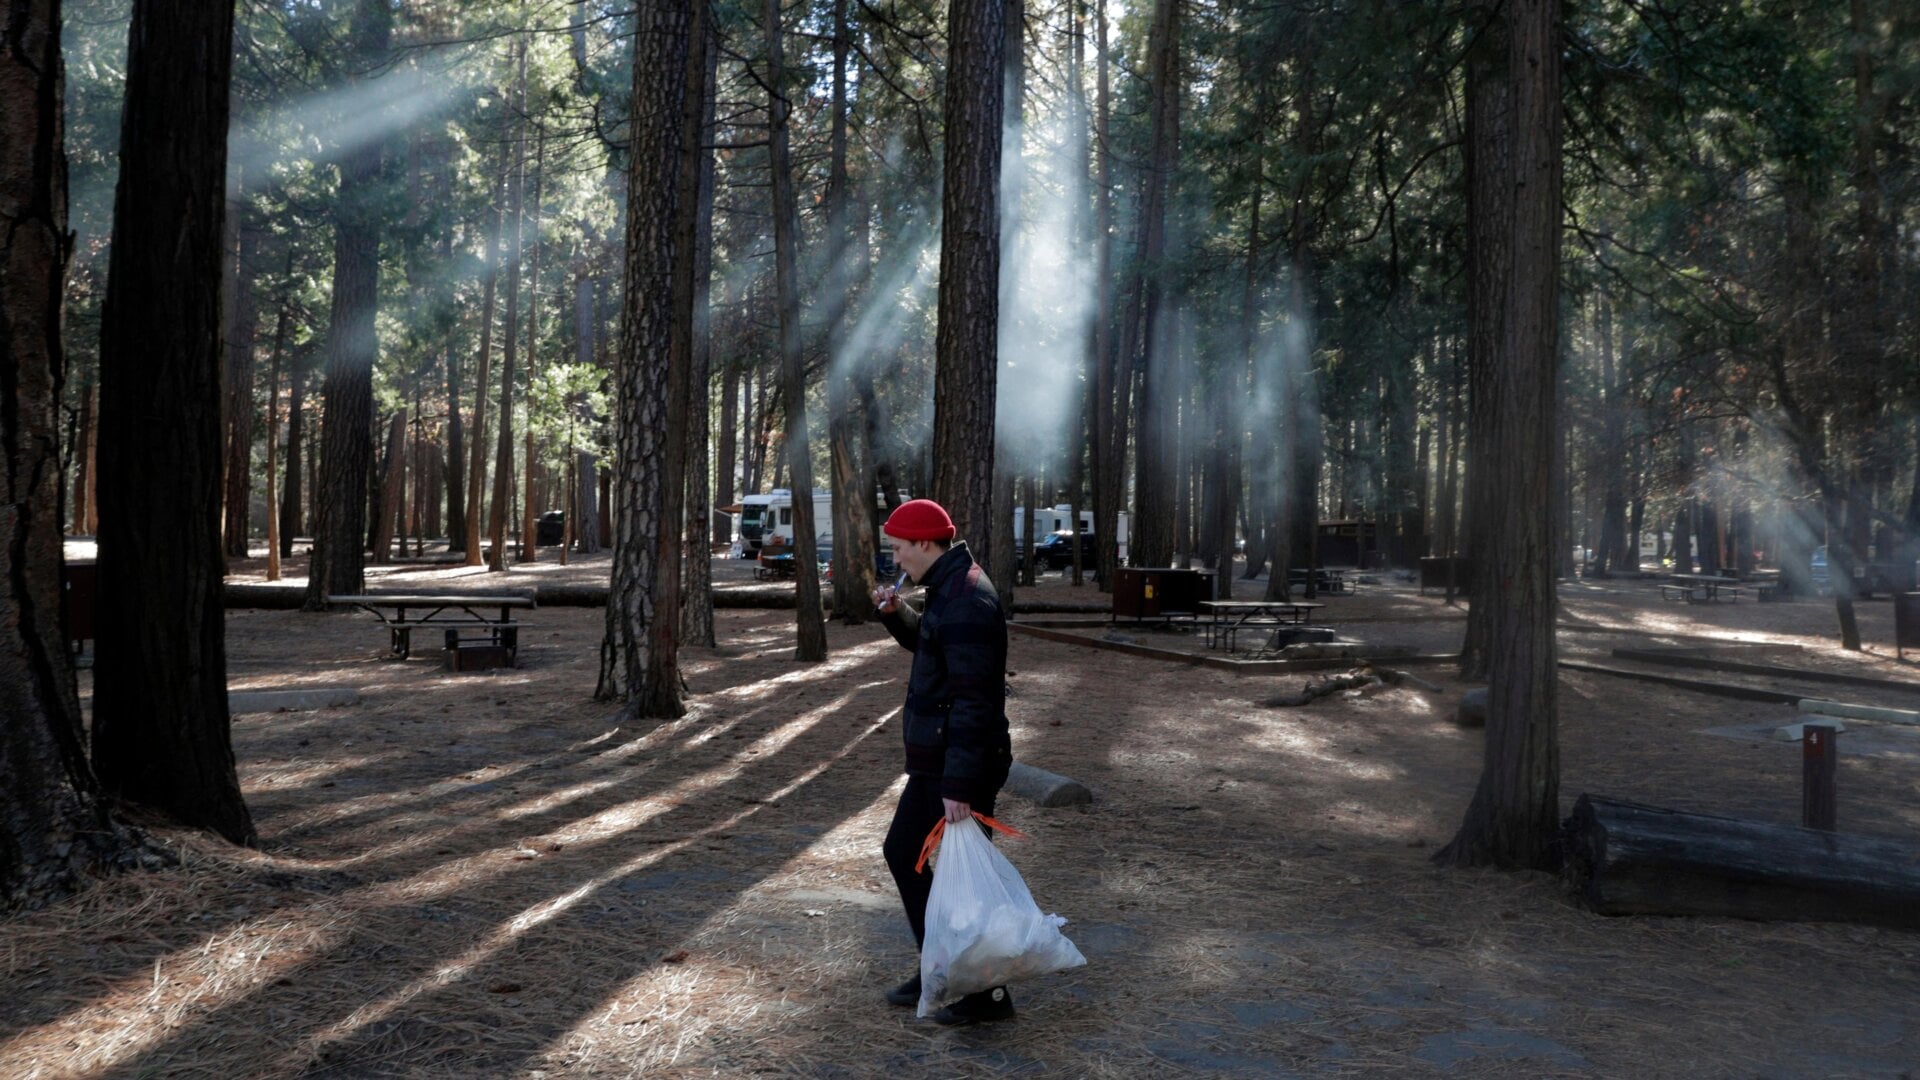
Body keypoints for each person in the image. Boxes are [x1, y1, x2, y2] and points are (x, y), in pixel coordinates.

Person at [869, 498, 1015, 1026]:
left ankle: (988, 995)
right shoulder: (948, 589)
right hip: (943, 759)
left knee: (963, 882)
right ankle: (941, 967)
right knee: (906, 852)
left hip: (960, 765)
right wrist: (896, 615)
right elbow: (933, 646)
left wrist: (960, 783)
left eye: (900, 548)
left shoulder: (968, 598)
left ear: (925, 544)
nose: (896, 558)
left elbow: (977, 700)